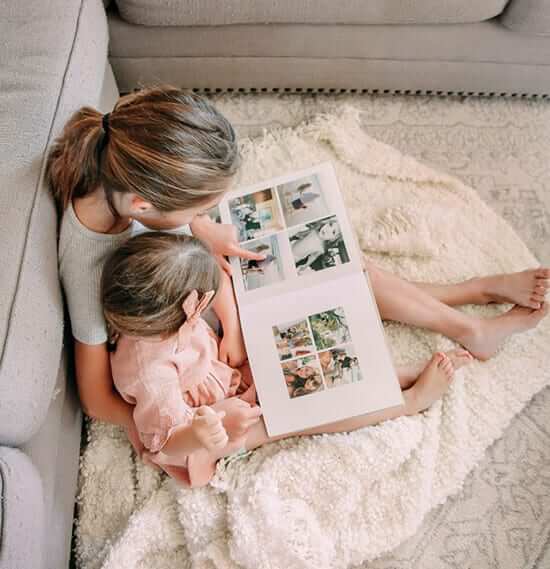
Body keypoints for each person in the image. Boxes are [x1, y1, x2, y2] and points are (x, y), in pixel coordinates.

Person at [46, 83, 549, 466]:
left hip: (202, 301)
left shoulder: (122, 166)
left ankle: (470, 308)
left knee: (338, 269)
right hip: (180, 351)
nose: (204, 213)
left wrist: (204, 230)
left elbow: (171, 220)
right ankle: (406, 399)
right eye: (198, 206)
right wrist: (158, 432)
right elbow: (96, 396)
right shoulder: (85, 260)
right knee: (288, 403)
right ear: (143, 203)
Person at [100, 232, 470, 486]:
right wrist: (202, 430)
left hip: (216, 376)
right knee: (295, 414)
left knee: (296, 361)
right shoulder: (153, 375)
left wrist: (230, 329)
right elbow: (161, 443)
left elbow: (214, 275)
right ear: (190, 311)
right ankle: (409, 402)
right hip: (199, 433)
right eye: (208, 297)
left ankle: (390, 375)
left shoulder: (154, 312)